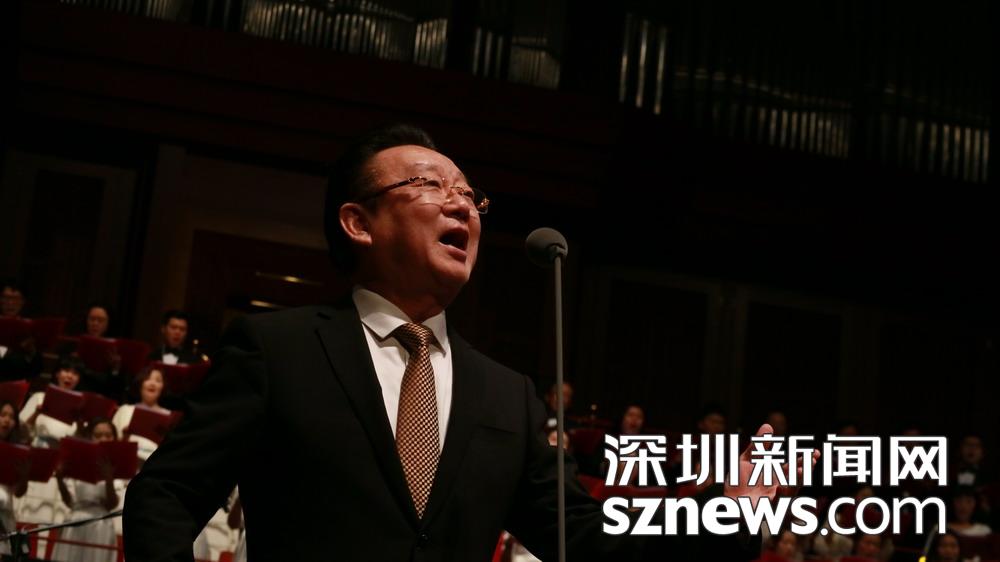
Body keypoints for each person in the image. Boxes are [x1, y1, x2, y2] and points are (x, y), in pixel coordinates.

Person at [124, 124, 813, 561]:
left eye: (470, 195)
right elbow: (167, 495)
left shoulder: (505, 395)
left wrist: (732, 512)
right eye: (430, 185)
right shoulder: (278, 348)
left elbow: (587, 537)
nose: (461, 204)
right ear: (358, 223)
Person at [51, 418, 124, 562]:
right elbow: (69, 501)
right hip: (76, 520)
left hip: (100, 524)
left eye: (108, 435)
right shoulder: (78, 460)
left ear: (115, 438)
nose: (103, 439)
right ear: (90, 437)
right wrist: (59, 480)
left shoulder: (117, 465)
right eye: (98, 435)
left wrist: (109, 479)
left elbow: (111, 504)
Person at [20, 356, 85, 448]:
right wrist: (36, 413)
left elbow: (81, 442)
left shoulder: (80, 406)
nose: (70, 376)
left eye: (75, 373)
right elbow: (21, 430)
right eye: (66, 371)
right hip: (37, 448)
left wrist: (80, 424)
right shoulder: (39, 397)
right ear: (57, 374)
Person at [112, 366, 171, 461]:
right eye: (147, 379)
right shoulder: (125, 410)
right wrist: (124, 437)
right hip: (126, 459)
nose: (152, 383)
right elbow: (111, 441)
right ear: (140, 384)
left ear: (163, 387)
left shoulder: (169, 416)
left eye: (158, 380)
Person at [1, 400, 30, 555]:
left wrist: (24, 476)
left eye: (12, 417)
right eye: (3, 415)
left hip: (5, 515)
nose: (7, 420)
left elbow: (19, 493)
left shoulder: (16, 451)